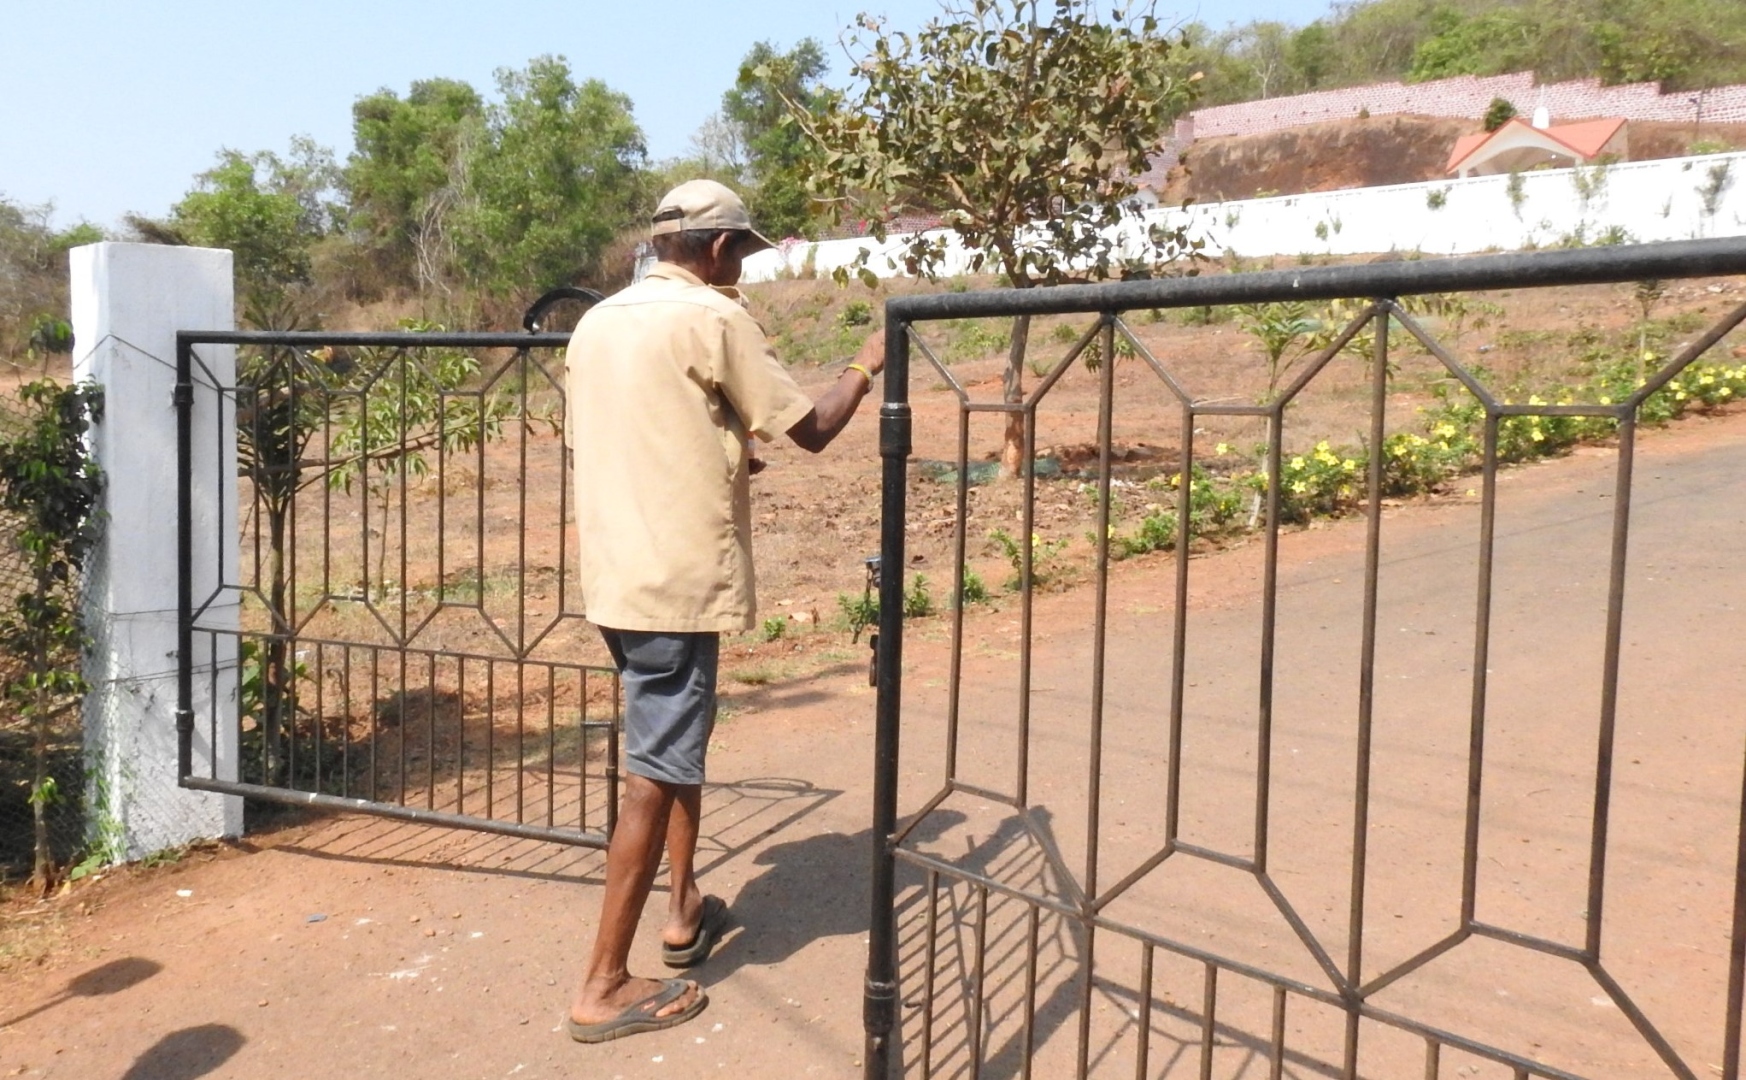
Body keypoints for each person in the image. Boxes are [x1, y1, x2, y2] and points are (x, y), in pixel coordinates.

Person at [562, 179, 886, 1042]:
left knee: (675, 747)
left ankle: (682, 911)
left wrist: (723, 451)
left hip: (616, 572)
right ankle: (600, 986)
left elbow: (632, 429)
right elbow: (812, 427)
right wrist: (866, 362)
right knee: (654, 771)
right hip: (675, 577)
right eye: (741, 251)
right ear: (714, 250)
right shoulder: (713, 318)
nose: (741, 265)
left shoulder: (598, 321)